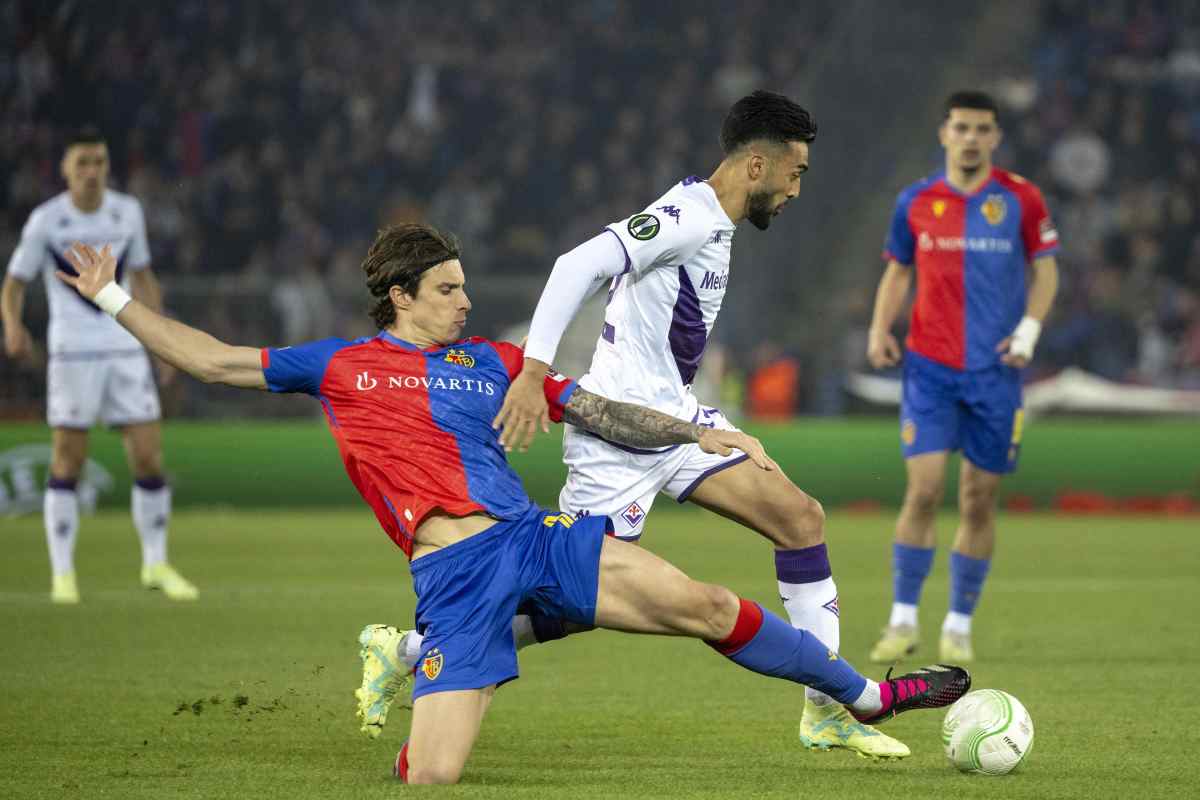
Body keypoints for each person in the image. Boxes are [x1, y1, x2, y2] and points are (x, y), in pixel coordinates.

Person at [57, 225, 970, 785]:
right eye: (447, 290)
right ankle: (415, 661)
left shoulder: (493, 361)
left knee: (704, 603)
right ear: (401, 297)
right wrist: (111, 297)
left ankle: (864, 698)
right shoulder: (339, 365)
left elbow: (597, 410)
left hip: (537, 541)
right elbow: (211, 359)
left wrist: (697, 432)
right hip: (454, 575)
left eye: (464, 286)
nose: (465, 301)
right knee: (433, 775)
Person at [391, 90, 909, 759]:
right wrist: (533, 371)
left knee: (800, 518)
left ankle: (827, 709)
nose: (796, 190)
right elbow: (576, 265)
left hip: (679, 419)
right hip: (620, 435)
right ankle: (414, 650)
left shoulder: (712, 222)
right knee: (570, 602)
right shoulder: (685, 217)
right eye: (795, 173)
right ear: (757, 166)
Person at [865, 91, 1060, 664]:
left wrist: (1028, 330)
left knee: (978, 499)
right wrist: (879, 329)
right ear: (944, 133)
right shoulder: (915, 200)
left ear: (995, 137)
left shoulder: (1021, 198)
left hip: (996, 372)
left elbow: (1046, 271)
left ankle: (958, 625)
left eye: (981, 129)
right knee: (923, 490)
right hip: (930, 368)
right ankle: (902, 621)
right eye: (962, 128)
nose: (971, 138)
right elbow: (898, 271)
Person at [1, 126, 196, 604]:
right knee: (67, 460)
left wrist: (162, 342)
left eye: (99, 162)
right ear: (65, 169)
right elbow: (14, 282)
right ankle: (63, 574)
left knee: (149, 457)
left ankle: (156, 563)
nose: (92, 171)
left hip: (125, 349)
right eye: (83, 163)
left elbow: (143, 277)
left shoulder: (127, 211)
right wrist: (12, 326)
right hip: (73, 354)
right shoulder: (47, 220)